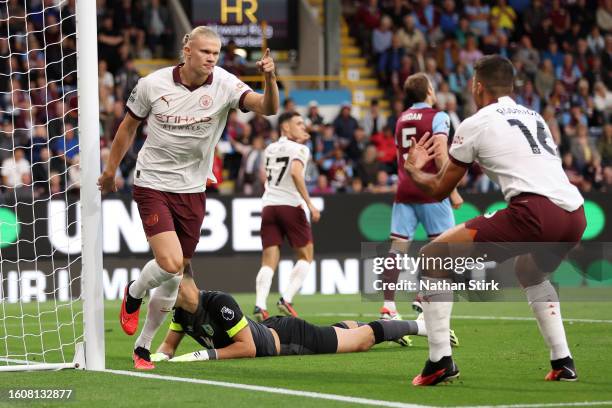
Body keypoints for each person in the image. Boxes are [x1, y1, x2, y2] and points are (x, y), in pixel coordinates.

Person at [97, 26, 279, 370]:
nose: (212, 58)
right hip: (152, 182)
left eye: (216, 52)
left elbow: (267, 108)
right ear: (187, 49)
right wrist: (110, 171)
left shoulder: (225, 83)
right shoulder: (152, 84)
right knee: (168, 262)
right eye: (205, 51)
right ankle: (134, 293)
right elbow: (127, 128)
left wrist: (270, 80)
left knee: (175, 275)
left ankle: (143, 348)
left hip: (193, 190)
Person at [404, 55, 585, 385]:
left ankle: (439, 361)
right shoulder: (534, 117)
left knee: (431, 257)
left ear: (477, 86)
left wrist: (413, 169)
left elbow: (439, 189)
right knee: (528, 271)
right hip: (574, 213)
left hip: (534, 213)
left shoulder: (476, 122)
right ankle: (563, 362)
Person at [149, 272, 428, 362]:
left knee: (361, 341)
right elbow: (169, 348)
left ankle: (421, 327)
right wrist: (157, 359)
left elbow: (249, 348)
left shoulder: (219, 302)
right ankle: (388, 327)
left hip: (290, 339)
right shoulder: (182, 313)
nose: (159, 294)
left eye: (162, 286)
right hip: (271, 329)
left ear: (182, 284)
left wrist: (202, 356)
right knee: (340, 333)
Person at [380, 73, 463, 322]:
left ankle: (388, 306)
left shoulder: (401, 119)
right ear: (428, 90)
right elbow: (439, 153)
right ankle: (423, 297)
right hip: (431, 190)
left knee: (397, 249)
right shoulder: (438, 116)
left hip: (405, 189)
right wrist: (453, 190)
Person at [253, 112, 320, 322]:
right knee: (306, 256)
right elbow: (295, 173)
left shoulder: (269, 149)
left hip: (269, 206)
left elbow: (265, 175)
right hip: (290, 205)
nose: (304, 126)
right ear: (286, 128)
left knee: (268, 260)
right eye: (298, 123)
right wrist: (310, 204)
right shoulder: (300, 149)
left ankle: (260, 304)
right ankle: (287, 299)